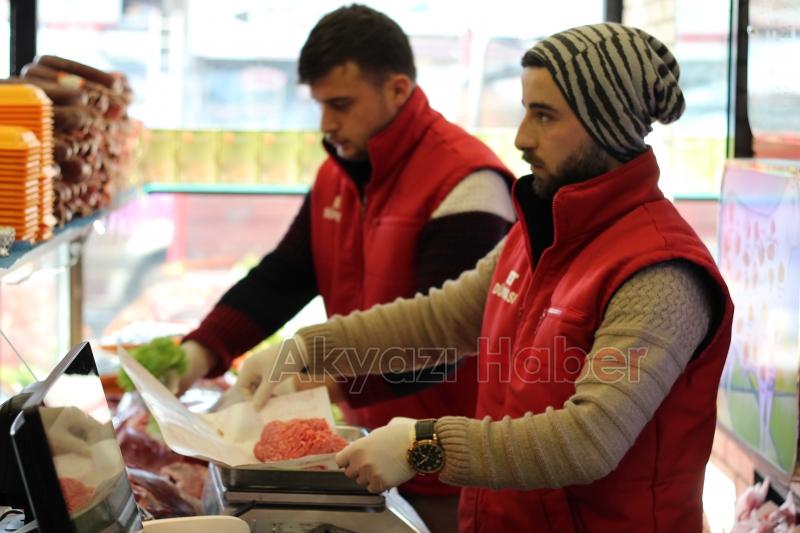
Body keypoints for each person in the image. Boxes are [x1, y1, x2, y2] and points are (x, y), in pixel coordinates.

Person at [237, 22, 735, 532]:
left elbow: (590, 438)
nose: (522, 138)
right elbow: (439, 321)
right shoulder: (537, 234)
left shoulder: (661, 272)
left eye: (544, 116)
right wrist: (309, 351)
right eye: (526, 111)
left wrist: (423, 446)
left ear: (606, 126)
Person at [179, 4, 515, 529]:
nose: (327, 124)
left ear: (398, 89)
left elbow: (436, 352)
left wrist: (317, 381)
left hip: (445, 466)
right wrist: (200, 352)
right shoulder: (337, 175)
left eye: (340, 104)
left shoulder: (469, 184)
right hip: (366, 458)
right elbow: (283, 276)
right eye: (319, 105)